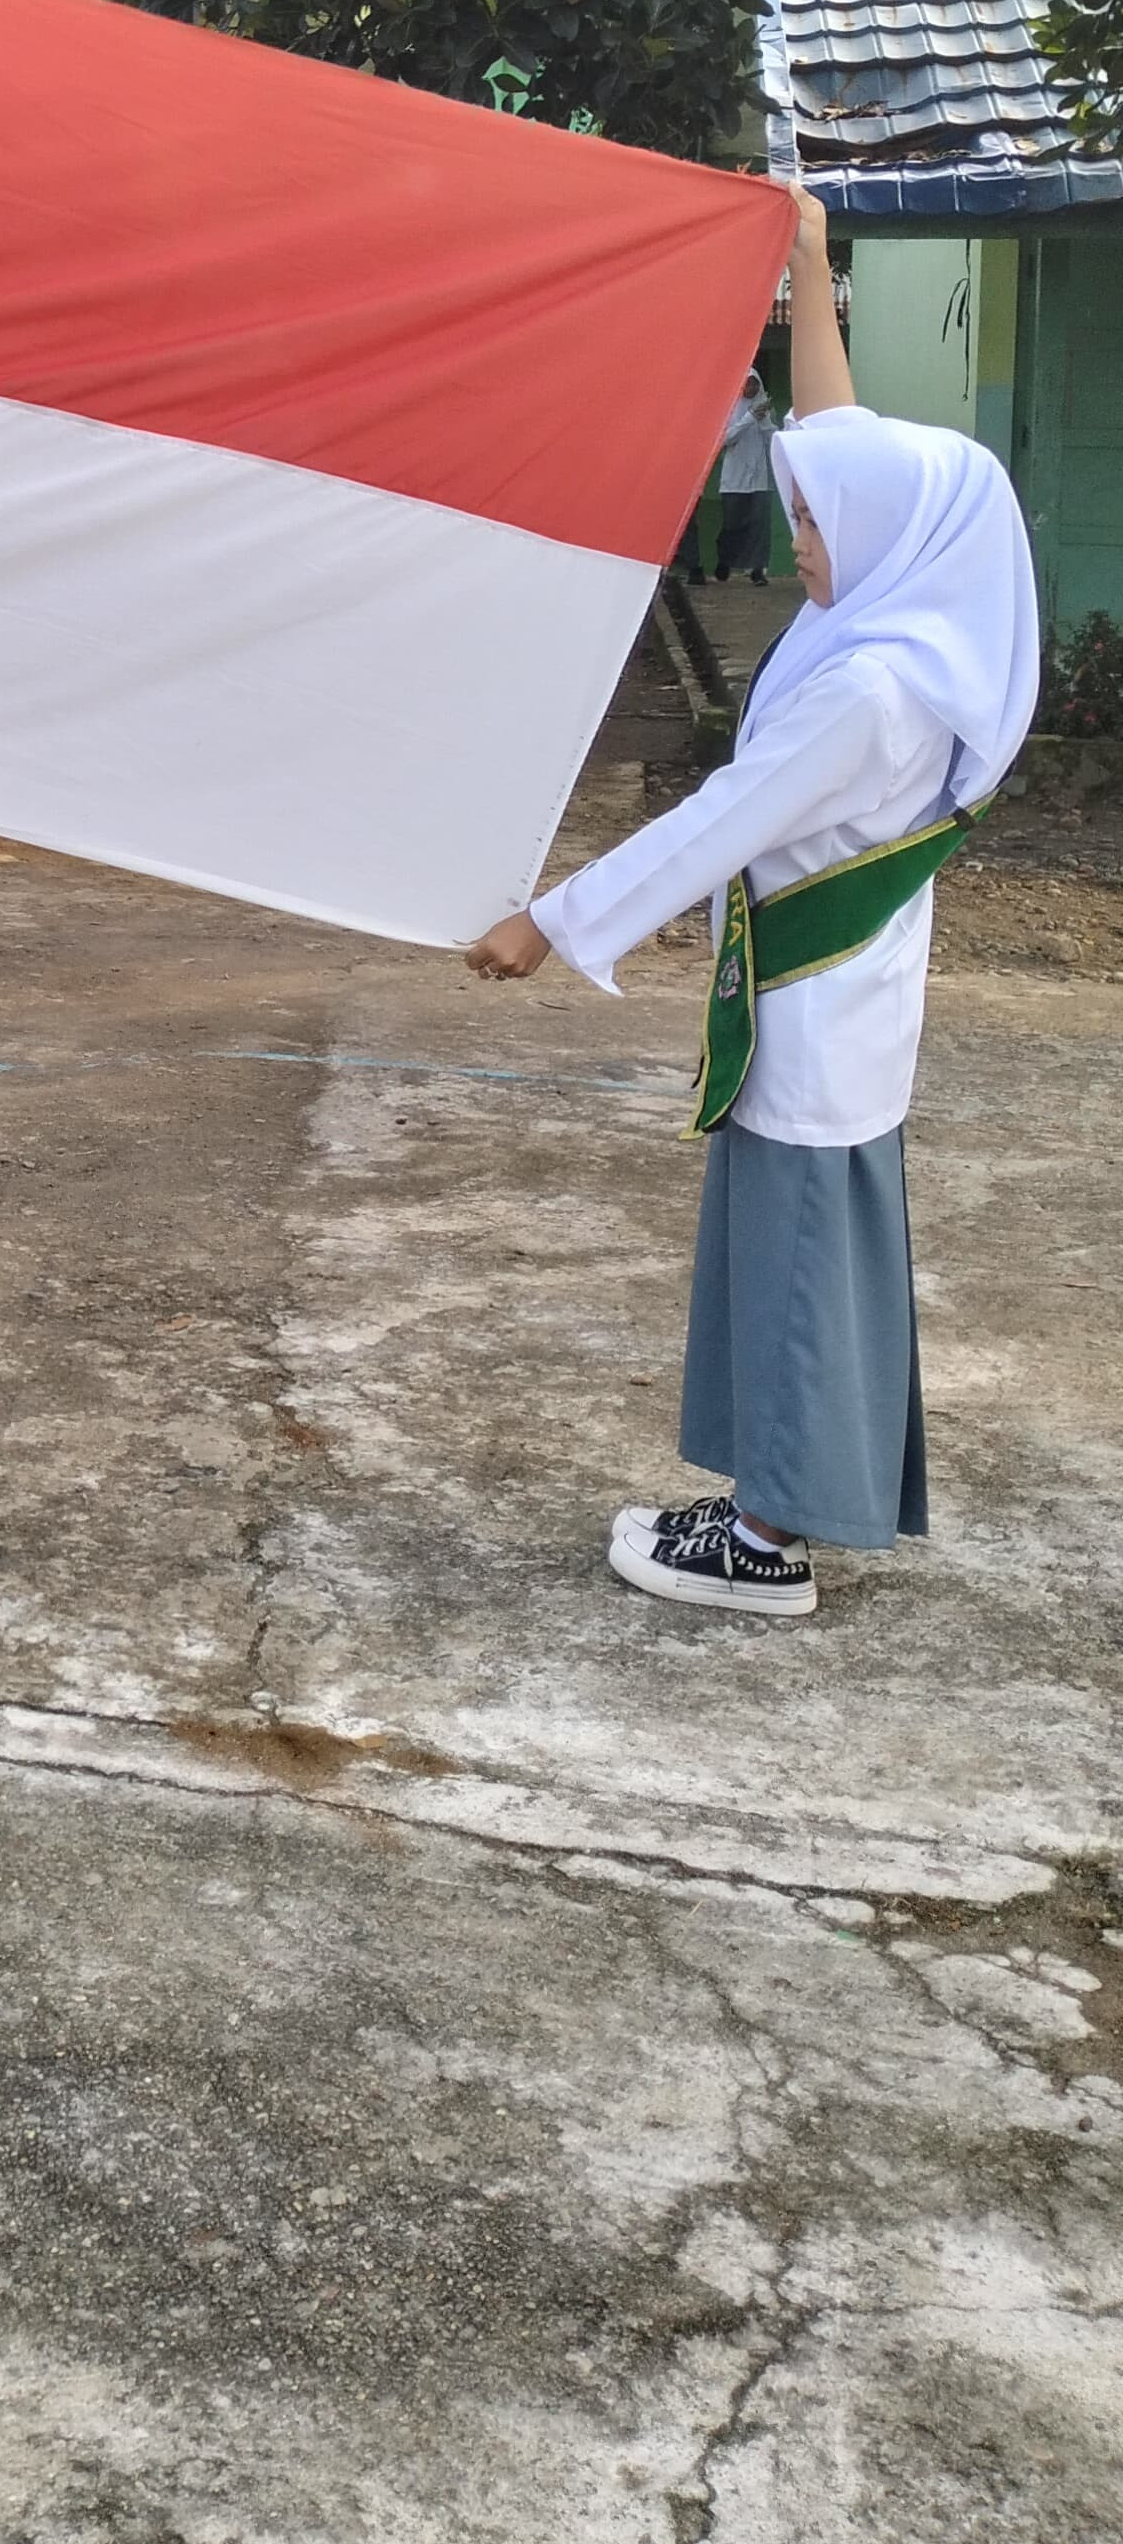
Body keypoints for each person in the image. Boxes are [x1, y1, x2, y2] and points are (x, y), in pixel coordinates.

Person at [467, 187, 1038, 1619]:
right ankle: (771, 1499)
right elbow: (837, 446)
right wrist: (805, 267)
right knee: (801, 1253)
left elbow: (721, 821)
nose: (799, 539)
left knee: (794, 1266)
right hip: (835, 994)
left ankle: (768, 1541)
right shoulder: (917, 625)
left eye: (813, 526)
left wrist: (554, 919)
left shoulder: (870, 689)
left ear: (887, 533)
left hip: (814, 1009)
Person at [712, 369, 778, 586]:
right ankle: (725, 561)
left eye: (755, 384)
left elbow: (772, 439)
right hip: (734, 479)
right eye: (747, 384)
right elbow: (726, 439)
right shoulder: (730, 408)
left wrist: (765, 420)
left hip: (760, 477)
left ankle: (757, 569)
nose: (751, 389)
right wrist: (750, 417)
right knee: (733, 525)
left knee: (759, 525)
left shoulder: (763, 408)